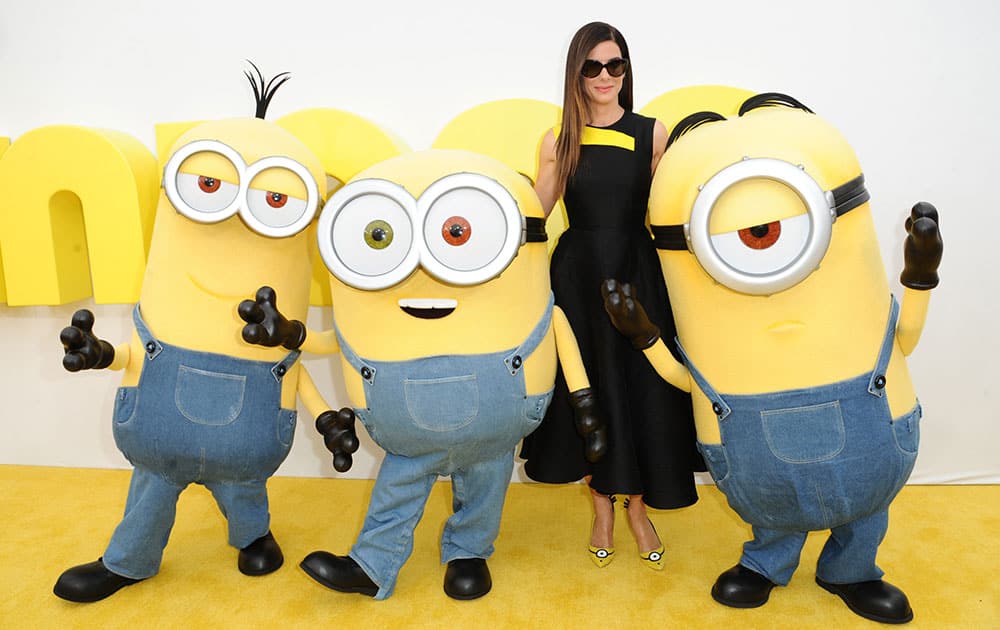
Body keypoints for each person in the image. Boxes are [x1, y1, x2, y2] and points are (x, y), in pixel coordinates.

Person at [519, 21, 703, 571]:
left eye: (614, 65)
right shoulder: (558, 141)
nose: (605, 76)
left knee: (640, 390)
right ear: (577, 73)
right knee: (591, 388)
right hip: (576, 279)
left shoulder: (653, 132)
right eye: (592, 66)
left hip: (635, 274)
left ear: (626, 70)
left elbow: (667, 213)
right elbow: (537, 213)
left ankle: (639, 508)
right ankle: (602, 506)